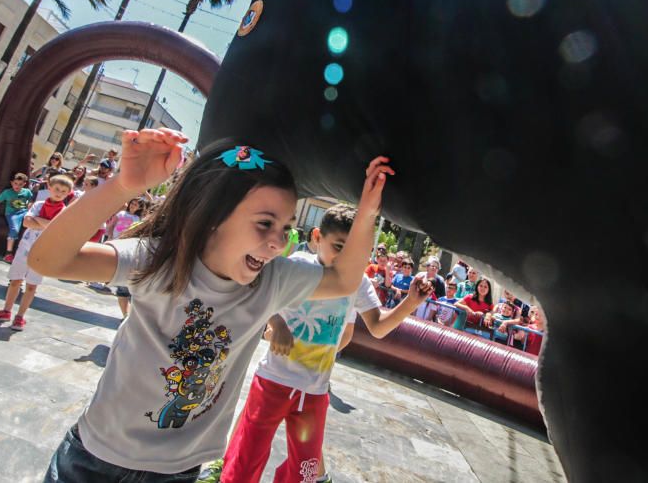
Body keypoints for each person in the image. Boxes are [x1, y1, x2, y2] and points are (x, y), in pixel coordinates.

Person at [27, 130, 393, 481]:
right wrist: (123, 185)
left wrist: (367, 211)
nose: (277, 243)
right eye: (265, 223)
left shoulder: (272, 281)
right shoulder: (158, 260)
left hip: (179, 471)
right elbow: (48, 261)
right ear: (215, 216)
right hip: (95, 461)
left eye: (285, 229)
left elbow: (345, 280)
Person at [215, 205, 432, 483]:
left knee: (305, 472)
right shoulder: (297, 266)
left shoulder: (359, 283)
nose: (345, 258)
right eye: (339, 246)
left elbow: (378, 326)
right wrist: (277, 323)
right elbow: (257, 288)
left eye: (354, 250)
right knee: (245, 462)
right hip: (273, 383)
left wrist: (410, 303)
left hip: (314, 394)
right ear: (317, 237)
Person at [0, 174, 74, 331]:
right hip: (26, 246)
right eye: (57, 189)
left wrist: (38, 221)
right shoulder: (38, 205)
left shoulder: (65, 212)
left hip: (44, 251)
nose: (59, 193)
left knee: (32, 286)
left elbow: (56, 229)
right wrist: (47, 224)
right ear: (50, 188)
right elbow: (26, 222)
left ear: (68, 194)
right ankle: (6, 310)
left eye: (63, 191)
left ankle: (20, 316)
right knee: (15, 281)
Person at [105, 197, 148, 316]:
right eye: (132, 203)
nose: (133, 206)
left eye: (136, 204)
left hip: (127, 245)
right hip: (115, 240)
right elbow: (111, 225)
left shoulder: (138, 219)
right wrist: (109, 236)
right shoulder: (121, 213)